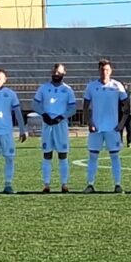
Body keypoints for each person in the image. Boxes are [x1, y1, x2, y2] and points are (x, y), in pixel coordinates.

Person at [82, 59, 129, 194]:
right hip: (96, 128)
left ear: (111, 71)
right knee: (93, 156)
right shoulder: (91, 86)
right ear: (98, 71)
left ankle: (118, 184)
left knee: (115, 156)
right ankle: (90, 184)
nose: (104, 72)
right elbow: (85, 106)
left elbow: (126, 107)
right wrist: (90, 122)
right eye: (102, 70)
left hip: (112, 128)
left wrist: (121, 123)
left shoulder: (117, 86)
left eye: (107, 70)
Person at [32, 63, 77, 193]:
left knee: (63, 155)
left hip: (60, 125)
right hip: (47, 124)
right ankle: (46, 185)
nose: (56, 74)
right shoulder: (44, 88)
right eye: (54, 72)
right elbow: (35, 104)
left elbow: (73, 108)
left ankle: (64, 184)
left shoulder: (68, 90)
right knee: (47, 154)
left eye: (59, 72)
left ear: (64, 73)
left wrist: (62, 116)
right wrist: (44, 114)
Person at [118, 81, 131, 148]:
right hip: (121, 113)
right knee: (120, 129)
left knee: (129, 129)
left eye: (125, 85)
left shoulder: (130, 93)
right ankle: (120, 142)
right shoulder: (118, 94)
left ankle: (129, 142)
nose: (124, 87)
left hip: (129, 114)